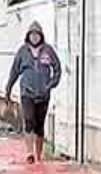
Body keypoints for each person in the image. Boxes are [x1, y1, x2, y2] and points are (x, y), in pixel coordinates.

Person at [5, 21, 61, 164]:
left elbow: (57, 68)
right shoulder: (23, 51)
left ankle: (38, 154)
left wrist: (51, 84)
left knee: (39, 125)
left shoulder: (48, 50)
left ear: (41, 36)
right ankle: (29, 153)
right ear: (28, 36)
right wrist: (8, 88)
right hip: (27, 93)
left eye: (37, 35)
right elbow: (14, 71)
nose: (34, 37)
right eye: (32, 35)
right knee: (29, 120)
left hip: (43, 94)